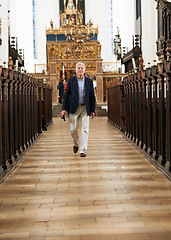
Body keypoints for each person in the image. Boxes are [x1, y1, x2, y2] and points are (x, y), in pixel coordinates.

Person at [61, 62, 96, 157]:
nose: (80, 70)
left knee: (85, 129)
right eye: (78, 68)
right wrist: (64, 109)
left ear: (84, 71)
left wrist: (93, 110)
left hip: (85, 107)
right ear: (76, 71)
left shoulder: (89, 81)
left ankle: (83, 150)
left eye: (82, 68)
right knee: (73, 129)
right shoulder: (71, 81)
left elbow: (92, 96)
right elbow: (66, 95)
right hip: (73, 107)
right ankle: (76, 143)